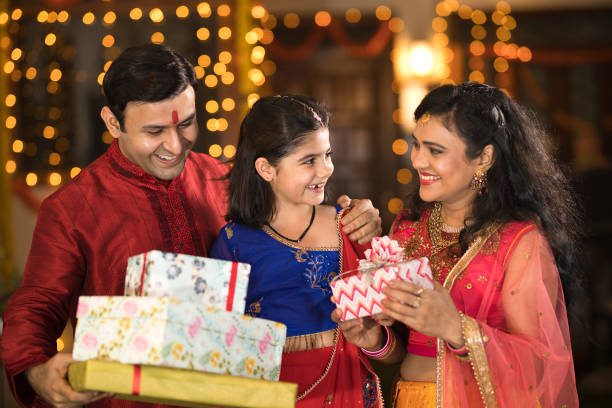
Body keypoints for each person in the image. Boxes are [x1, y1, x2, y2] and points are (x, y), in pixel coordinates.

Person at [0, 44, 382, 408]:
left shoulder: (224, 180)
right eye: (154, 132)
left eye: (186, 123)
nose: (175, 143)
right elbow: (38, 303)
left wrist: (357, 215)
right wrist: (36, 369)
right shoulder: (72, 208)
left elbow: (300, 204)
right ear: (113, 123)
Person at [336, 82, 580, 407]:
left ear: (483, 158)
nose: (419, 161)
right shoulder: (408, 228)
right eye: (417, 145)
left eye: (435, 150)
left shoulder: (518, 242)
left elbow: (540, 366)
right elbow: (407, 349)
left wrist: (455, 328)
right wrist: (375, 340)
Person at [210, 95, 383, 407]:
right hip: (270, 396)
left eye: (327, 155)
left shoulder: (351, 225)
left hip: (349, 392)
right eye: (308, 160)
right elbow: (217, 347)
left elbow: (389, 336)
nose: (325, 170)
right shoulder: (234, 242)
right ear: (265, 168)